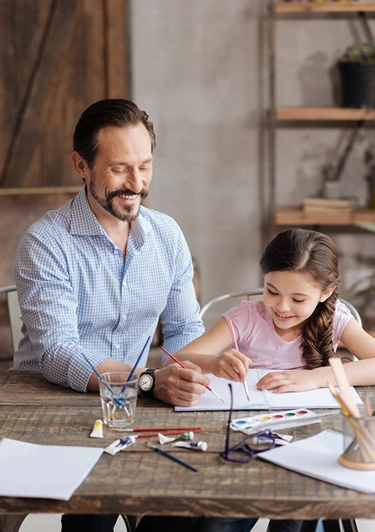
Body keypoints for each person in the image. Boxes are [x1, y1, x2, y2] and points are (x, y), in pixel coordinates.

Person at [13, 99, 264, 532]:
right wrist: (147, 379)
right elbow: (57, 352)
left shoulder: (166, 235)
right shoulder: (45, 243)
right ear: (81, 165)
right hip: (54, 409)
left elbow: (185, 329)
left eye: (145, 166)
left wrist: (194, 369)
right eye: (119, 168)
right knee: (95, 511)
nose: (136, 183)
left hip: (138, 408)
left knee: (217, 496)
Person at [169, 228, 375, 391]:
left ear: (326, 293)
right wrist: (212, 363)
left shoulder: (335, 318)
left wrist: (315, 377)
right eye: (272, 292)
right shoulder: (245, 318)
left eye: (298, 299)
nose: (282, 307)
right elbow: (174, 361)